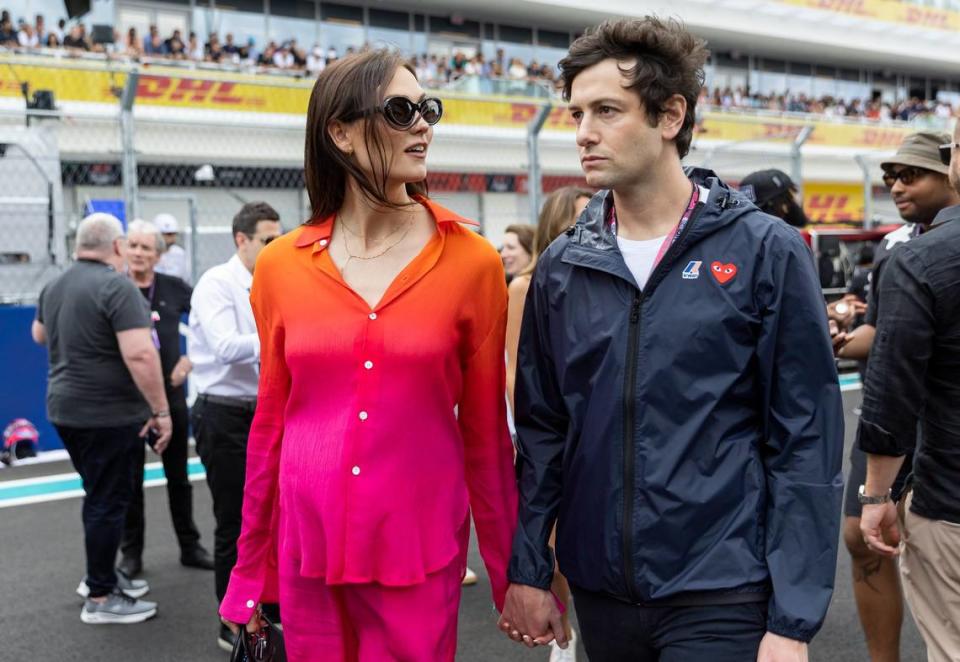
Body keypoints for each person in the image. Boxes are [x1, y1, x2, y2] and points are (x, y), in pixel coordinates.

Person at [500, 18, 844, 660]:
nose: (583, 134)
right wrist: (528, 568)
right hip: (600, 590)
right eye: (577, 113)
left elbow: (805, 439)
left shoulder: (765, 250)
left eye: (606, 110)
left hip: (722, 591)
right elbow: (543, 434)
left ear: (670, 115)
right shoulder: (562, 266)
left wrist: (792, 620)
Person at [218, 50, 518, 662]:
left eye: (427, 109)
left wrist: (515, 575)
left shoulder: (473, 261)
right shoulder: (279, 266)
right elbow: (271, 426)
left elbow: (486, 435)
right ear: (341, 132)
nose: (423, 126)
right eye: (401, 111)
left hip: (417, 550)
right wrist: (250, 574)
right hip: (309, 555)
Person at [835, 131, 959, 662]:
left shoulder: (920, 256)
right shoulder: (897, 245)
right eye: (890, 176)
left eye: (911, 174)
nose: (897, 185)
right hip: (925, 453)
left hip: (938, 474)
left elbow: (891, 376)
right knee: (863, 544)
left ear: (951, 170)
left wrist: (876, 493)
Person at [31, 213, 169, 624]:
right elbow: (141, 354)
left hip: (66, 409)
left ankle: (103, 576)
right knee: (107, 501)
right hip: (106, 415)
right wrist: (160, 410)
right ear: (115, 247)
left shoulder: (55, 284)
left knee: (100, 496)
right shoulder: (117, 286)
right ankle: (102, 596)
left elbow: (40, 335)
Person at [188, 201, 283, 652]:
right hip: (223, 413)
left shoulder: (275, 280)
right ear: (241, 240)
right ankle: (232, 617)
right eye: (268, 240)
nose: (275, 247)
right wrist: (289, 332)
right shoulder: (217, 283)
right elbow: (226, 347)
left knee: (275, 515)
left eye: (278, 239)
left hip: (263, 409)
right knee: (234, 520)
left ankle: (268, 607)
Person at [505, 185, 592, 662]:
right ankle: (563, 635)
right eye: (580, 218)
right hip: (548, 429)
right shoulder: (528, 283)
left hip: (591, 428)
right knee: (552, 537)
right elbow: (519, 367)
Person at [118, 220, 213, 578]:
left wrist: (192, 360)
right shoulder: (116, 288)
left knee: (179, 478)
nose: (139, 253)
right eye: (133, 246)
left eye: (146, 248)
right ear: (123, 249)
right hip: (128, 401)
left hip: (170, 398)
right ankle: (132, 554)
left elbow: (208, 323)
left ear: (159, 255)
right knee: (130, 481)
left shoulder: (173, 288)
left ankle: (190, 546)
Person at [153, 213, 190, 282]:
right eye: (168, 234)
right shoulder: (149, 253)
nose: (172, 238)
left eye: (174, 234)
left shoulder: (179, 253)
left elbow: (185, 277)